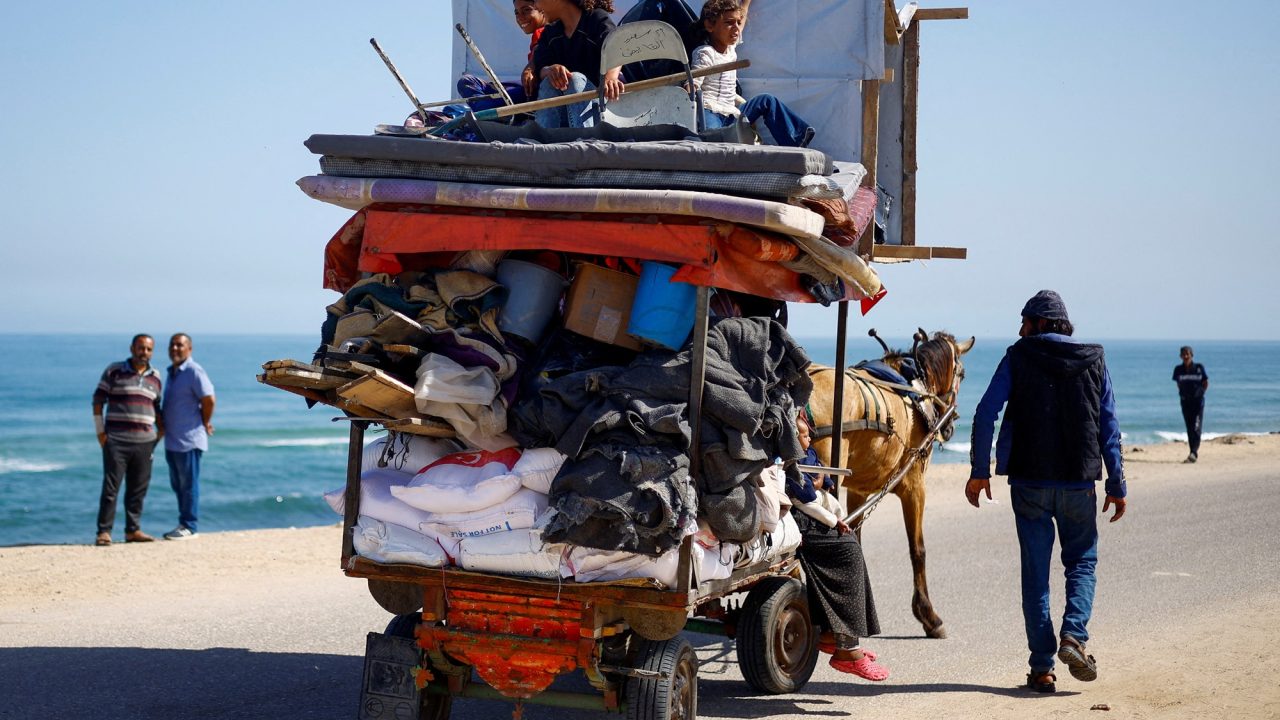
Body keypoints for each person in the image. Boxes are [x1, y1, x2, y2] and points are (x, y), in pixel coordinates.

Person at [966, 290, 1127, 694]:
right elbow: (1109, 424)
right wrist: (1116, 482)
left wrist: (979, 471)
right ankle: (1073, 637)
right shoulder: (1094, 359)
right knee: (1082, 562)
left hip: (1029, 483)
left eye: (1025, 322)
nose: (1020, 330)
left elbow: (986, 412)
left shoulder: (1018, 356)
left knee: (1036, 577)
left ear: (1040, 322)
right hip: (1079, 484)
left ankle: (1042, 670)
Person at [790, 412, 890, 681]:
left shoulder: (805, 453)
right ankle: (847, 648)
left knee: (848, 543)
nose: (809, 437)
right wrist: (834, 521)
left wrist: (822, 480)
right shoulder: (791, 460)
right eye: (803, 434)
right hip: (803, 517)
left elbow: (819, 477)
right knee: (848, 550)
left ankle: (829, 634)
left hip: (810, 511)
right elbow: (805, 497)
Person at [690, 0, 815, 147]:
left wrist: (746, 2)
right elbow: (694, 84)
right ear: (710, 25)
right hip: (711, 111)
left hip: (732, 112)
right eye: (729, 23)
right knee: (714, 140)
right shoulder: (705, 53)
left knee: (767, 101)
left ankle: (797, 142)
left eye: (738, 22)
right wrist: (689, 86)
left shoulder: (730, 49)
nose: (736, 28)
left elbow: (741, 18)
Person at [92, 334, 163, 546]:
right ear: (132, 348)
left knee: (138, 489)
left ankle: (133, 530)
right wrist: (100, 433)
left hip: (145, 441)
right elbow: (98, 400)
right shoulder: (114, 370)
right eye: (141, 348)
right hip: (116, 441)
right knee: (111, 488)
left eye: (149, 349)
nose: (145, 352)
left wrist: (159, 434)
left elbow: (157, 408)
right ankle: (104, 532)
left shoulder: (156, 377)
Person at [530, 0, 624, 128]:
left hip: (600, 107)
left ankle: (586, 141)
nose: (535, 6)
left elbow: (616, 47)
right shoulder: (549, 32)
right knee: (548, 82)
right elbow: (541, 66)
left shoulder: (596, 19)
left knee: (574, 79)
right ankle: (545, 143)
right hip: (565, 114)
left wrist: (610, 78)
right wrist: (550, 70)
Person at [160, 333, 216, 540]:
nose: (175, 348)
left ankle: (189, 526)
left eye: (180, 345)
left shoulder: (194, 370)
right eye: (172, 345)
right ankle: (183, 523)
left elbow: (209, 398)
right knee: (178, 485)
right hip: (173, 441)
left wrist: (205, 420)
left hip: (189, 440)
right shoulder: (172, 372)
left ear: (189, 349)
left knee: (188, 485)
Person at [457, 0, 548, 111]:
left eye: (526, 10)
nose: (520, 17)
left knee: (467, 83)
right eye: (516, 13)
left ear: (542, 9)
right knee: (471, 85)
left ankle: (487, 113)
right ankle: (487, 111)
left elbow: (539, 53)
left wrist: (530, 67)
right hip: (528, 90)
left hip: (535, 93)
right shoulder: (540, 33)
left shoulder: (546, 32)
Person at [1172, 346, 1208, 463]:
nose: (1186, 356)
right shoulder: (1178, 369)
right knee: (1189, 428)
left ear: (1192, 355)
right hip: (1185, 402)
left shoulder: (1199, 368)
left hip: (1198, 403)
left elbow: (1205, 383)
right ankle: (1192, 451)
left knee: (1196, 427)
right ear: (1180, 356)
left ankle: (1193, 453)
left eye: (1188, 354)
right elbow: (1178, 384)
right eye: (1184, 354)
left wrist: (1200, 394)